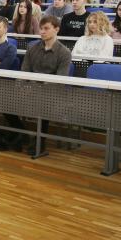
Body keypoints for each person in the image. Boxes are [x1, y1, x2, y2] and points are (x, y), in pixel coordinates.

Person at [19, 16, 72, 156]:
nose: (42, 32)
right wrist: (25, 87)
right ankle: (21, 134)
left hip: (51, 93)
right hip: (32, 89)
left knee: (42, 102)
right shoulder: (32, 48)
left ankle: (39, 142)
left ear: (57, 29)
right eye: (41, 29)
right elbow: (25, 71)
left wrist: (37, 87)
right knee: (4, 99)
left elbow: (60, 79)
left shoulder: (64, 53)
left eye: (46, 28)